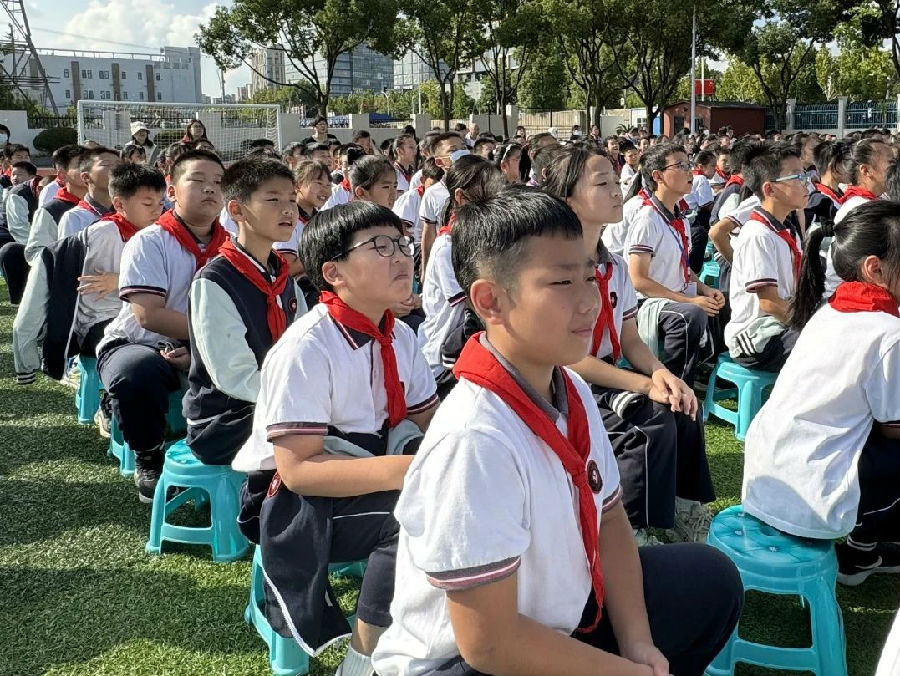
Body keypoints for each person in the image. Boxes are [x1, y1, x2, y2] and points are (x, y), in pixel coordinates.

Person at [371, 187, 743, 676]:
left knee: (711, 580)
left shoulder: (568, 385)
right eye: (562, 282)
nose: (590, 302)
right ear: (490, 301)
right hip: (463, 662)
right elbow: (489, 644)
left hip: (556, 615)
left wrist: (637, 643)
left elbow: (609, 516)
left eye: (589, 277)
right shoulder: (475, 438)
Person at [231, 201, 439, 676]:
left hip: (370, 467)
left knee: (459, 493)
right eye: (380, 246)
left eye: (402, 244)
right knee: (415, 516)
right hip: (294, 502)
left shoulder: (399, 336)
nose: (402, 257)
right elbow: (299, 471)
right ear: (333, 273)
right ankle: (364, 658)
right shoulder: (308, 347)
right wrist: (415, 471)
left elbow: (428, 420)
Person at [544, 145, 714, 544]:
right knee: (647, 423)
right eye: (601, 183)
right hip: (567, 382)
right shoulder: (557, 270)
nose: (617, 190)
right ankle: (632, 531)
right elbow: (569, 358)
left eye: (615, 181)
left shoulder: (614, 265)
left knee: (683, 405)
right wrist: (642, 384)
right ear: (569, 200)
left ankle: (683, 506)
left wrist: (662, 374)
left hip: (605, 373)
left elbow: (630, 338)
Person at [742, 200, 900, 586]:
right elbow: (893, 426)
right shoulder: (887, 332)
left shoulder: (833, 309)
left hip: (773, 476)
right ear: (875, 268)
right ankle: (860, 548)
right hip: (813, 494)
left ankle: (863, 548)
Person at [96, 149, 228, 502]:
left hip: (204, 342)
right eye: (197, 180)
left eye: (218, 182)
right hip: (140, 342)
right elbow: (149, 316)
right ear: (172, 191)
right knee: (137, 371)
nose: (210, 189)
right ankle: (149, 455)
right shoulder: (150, 241)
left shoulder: (232, 244)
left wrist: (202, 348)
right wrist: (208, 342)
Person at [183, 157, 305, 466]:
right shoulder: (215, 281)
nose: (288, 210)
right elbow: (234, 376)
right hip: (224, 419)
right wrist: (302, 395)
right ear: (237, 210)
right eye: (273, 200)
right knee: (324, 430)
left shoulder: (282, 277)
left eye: (292, 199)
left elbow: (306, 345)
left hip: (278, 400)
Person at [13, 164, 166, 388]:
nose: (157, 211)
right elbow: (56, 281)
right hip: (101, 320)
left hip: (137, 316)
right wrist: (123, 282)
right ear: (119, 204)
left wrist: (120, 280)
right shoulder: (103, 234)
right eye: (148, 204)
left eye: (161, 204)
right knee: (146, 358)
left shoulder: (157, 233)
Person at [625, 143, 725, 388]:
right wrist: (689, 300)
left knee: (723, 302)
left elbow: (683, 267)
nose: (689, 172)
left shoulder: (679, 218)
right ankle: (674, 385)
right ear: (658, 176)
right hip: (648, 302)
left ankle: (707, 371)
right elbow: (638, 280)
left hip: (675, 297)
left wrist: (704, 289)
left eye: (688, 164)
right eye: (680, 166)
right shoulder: (648, 219)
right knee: (689, 314)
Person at [418, 155, 506, 394]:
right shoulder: (447, 246)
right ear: (461, 197)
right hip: (445, 360)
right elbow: (473, 302)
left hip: (475, 348)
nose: (497, 200)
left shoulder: (482, 238)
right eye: (488, 193)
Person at [724, 143, 805, 372]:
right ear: (770, 189)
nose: (807, 184)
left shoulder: (784, 230)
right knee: (821, 344)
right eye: (797, 177)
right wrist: (810, 322)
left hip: (781, 324)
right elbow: (769, 303)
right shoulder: (758, 235)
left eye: (805, 175)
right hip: (756, 336)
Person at [24, 145, 87, 266]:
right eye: (81, 165)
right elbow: (34, 253)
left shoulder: (110, 205)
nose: (87, 170)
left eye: (90, 165)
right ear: (63, 175)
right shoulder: (51, 211)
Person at [419, 133, 468, 277]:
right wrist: (425, 269)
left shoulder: (479, 185)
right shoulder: (433, 194)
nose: (461, 153)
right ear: (439, 162)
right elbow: (428, 233)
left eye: (463, 148)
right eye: (453, 150)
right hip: (446, 264)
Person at [58, 146, 121, 240]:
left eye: (119, 164)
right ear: (86, 177)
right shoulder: (75, 218)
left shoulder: (128, 211)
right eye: (106, 164)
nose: (116, 169)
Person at [0, 160, 40, 303]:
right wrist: (36, 248)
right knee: (9, 250)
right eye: (13, 174)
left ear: (32, 177)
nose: (15, 177)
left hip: (36, 237)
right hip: (11, 234)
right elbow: (18, 229)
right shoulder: (17, 194)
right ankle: (19, 296)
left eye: (20, 174)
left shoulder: (46, 189)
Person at [684, 149, 716, 273]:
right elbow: (706, 205)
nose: (715, 169)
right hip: (693, 217)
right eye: (712, 166)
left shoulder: (692, 176)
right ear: (701, 166)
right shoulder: (701, 178)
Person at [806, 140, 850, 227]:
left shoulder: (840, 194)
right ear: (832, 165)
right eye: (846, 163)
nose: (849, 168)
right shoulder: (820, 202)